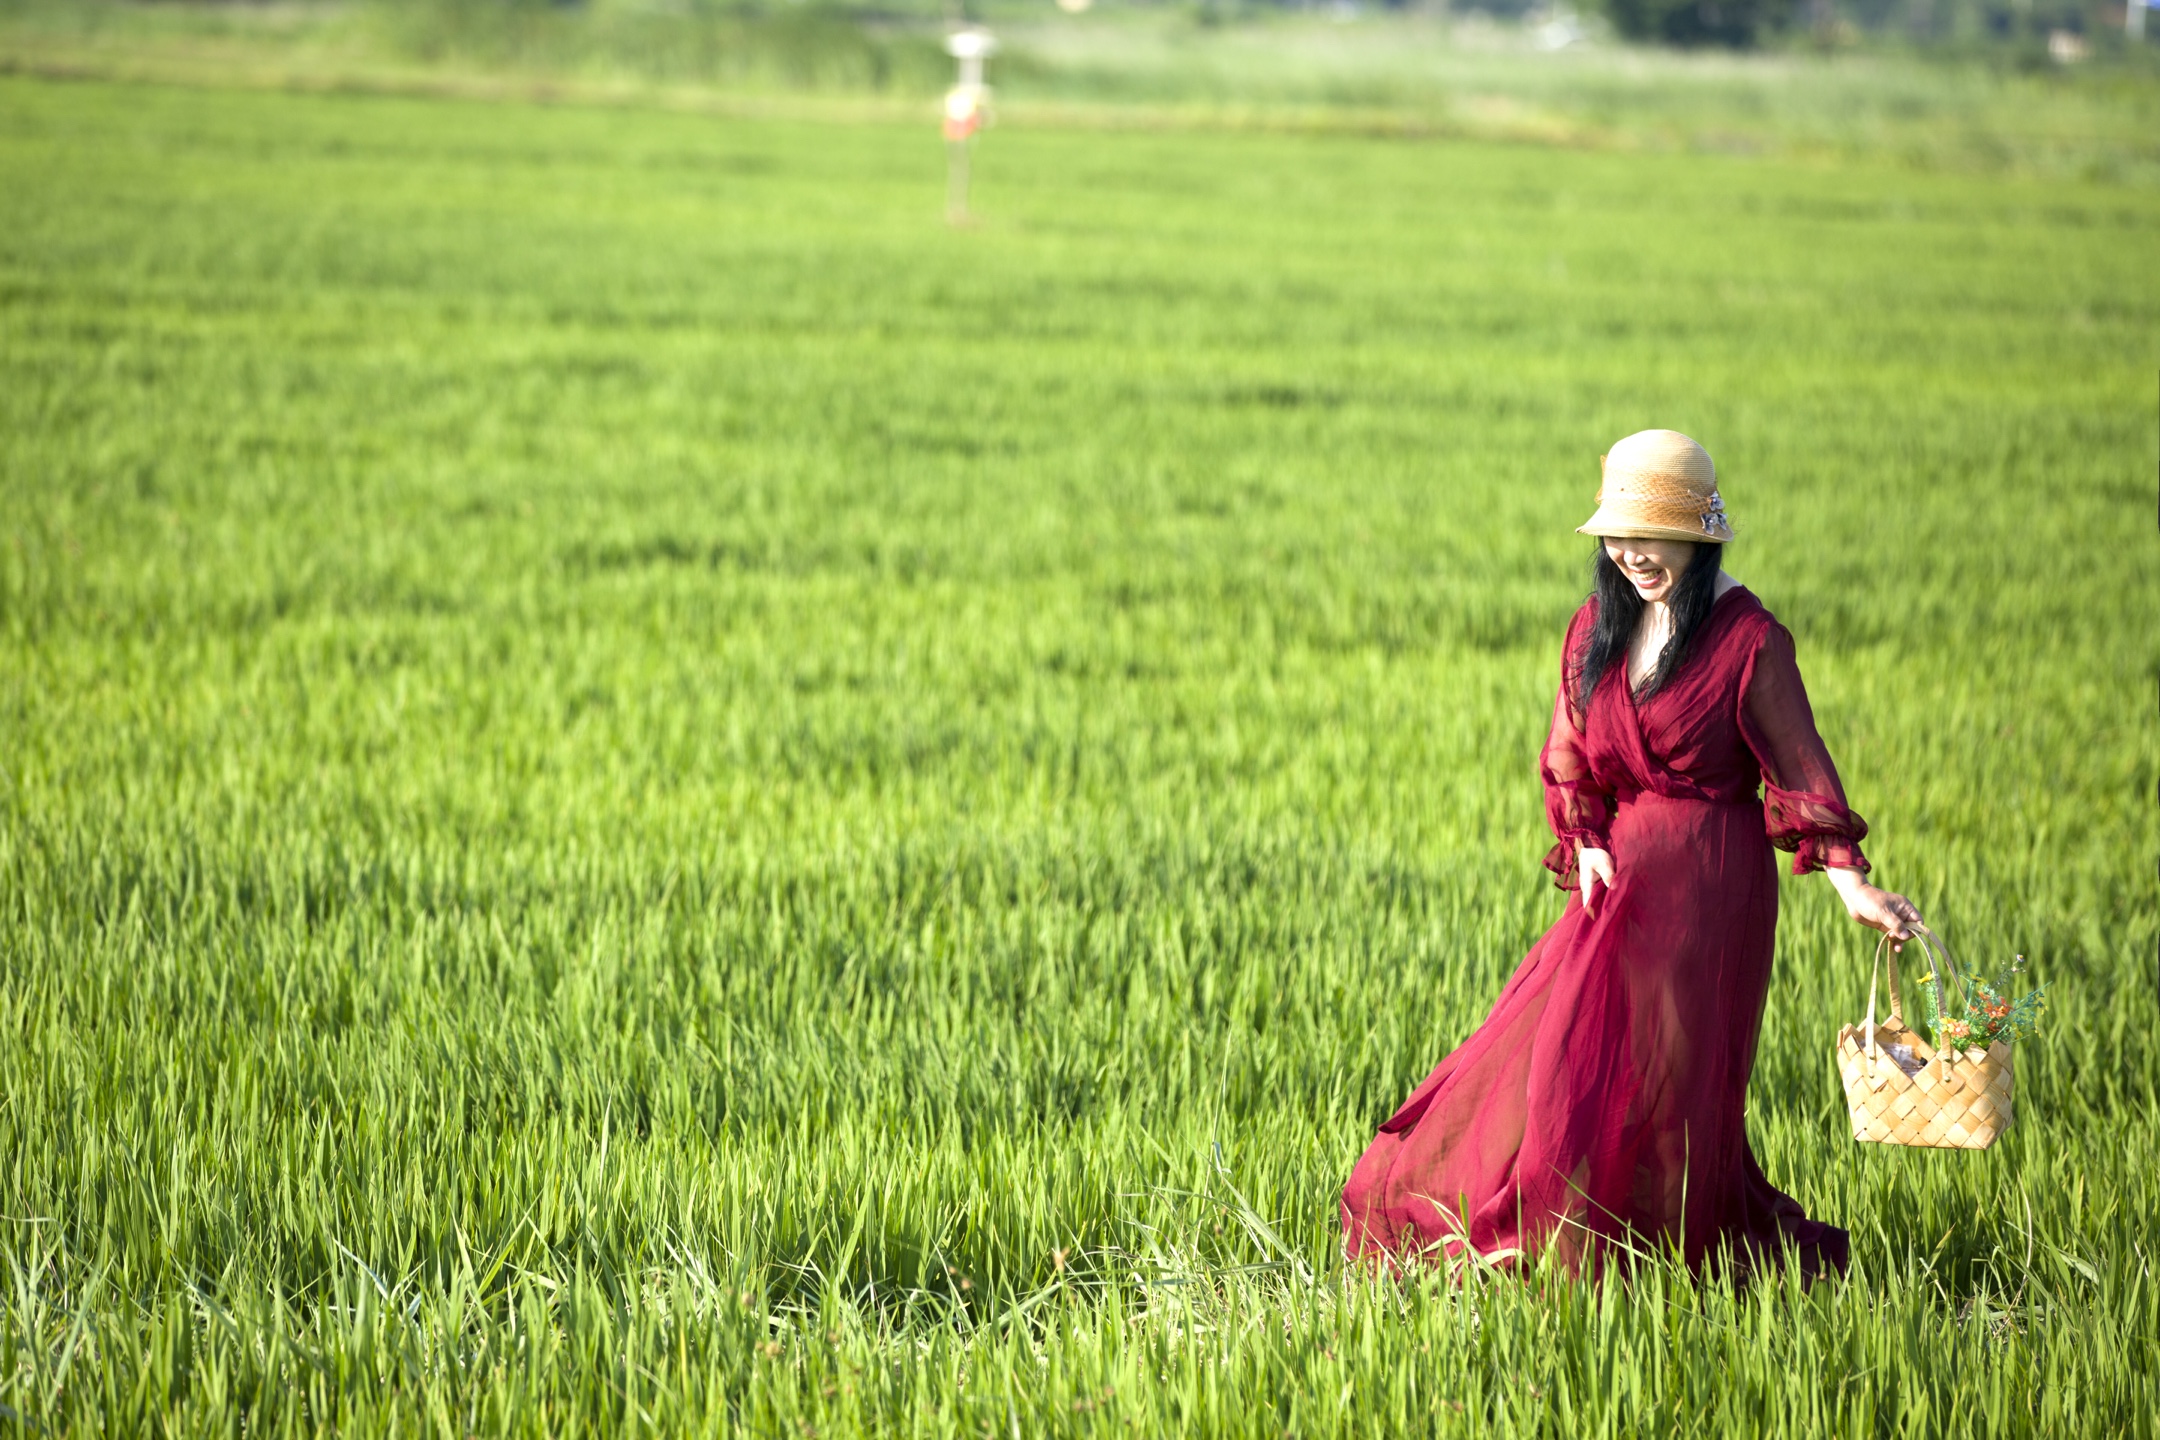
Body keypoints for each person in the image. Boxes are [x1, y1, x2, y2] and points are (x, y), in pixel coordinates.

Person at [1340, 429, 1921, 1283]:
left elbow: (1797, 769)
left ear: (1698, 531)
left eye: (1648, 536)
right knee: (1565, 1066)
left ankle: (1660, 1265)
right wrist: (1583, 842)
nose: (1630, 555)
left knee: (1674, 1090)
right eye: (1617, 536)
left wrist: (1851, 885)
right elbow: (1568, 749)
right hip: (1616, 885)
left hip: (1711, 892)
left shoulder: (1748, 638)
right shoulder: (1595, 627)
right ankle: (1567, 1248)